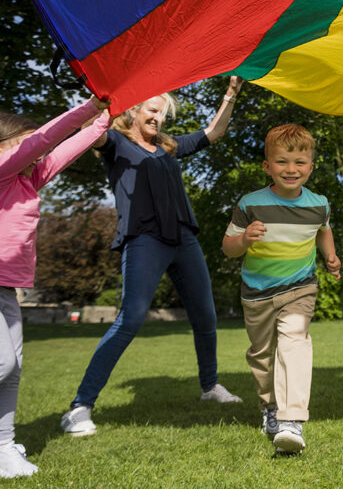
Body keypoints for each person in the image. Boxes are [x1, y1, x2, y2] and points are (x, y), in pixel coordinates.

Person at [61, 78, 246, 437]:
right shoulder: (114, 142)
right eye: (152, 109)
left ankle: (210, 387)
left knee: (206, 317)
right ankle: (80, 406)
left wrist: (230, 95)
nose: (159, 117)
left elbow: (213, 132)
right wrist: (98, 99)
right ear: (132, 109)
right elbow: (89, 131)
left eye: (163, 113)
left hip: (183, 239)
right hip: (144, 239)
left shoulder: (168, 148)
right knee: (130, 319)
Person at [0, 98, 110, 477]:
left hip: (7, 287)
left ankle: (3, 448)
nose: (37, 153)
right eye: (25, 145)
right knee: (2, 363)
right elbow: (45, 140)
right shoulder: (1, 170)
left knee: (14, 369)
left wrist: (102, 120)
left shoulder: (30, 179)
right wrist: (88, 107)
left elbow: (63, 150)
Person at [223, 124, 340, 454]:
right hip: (257, 293)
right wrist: (244, 239)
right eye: (282, 162)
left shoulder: (319, 204)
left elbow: (323, 230)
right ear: (267, 166)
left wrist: (330, 257)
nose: (291, 169)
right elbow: (228, 247)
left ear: (311, 167)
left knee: (295, 342)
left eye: (300, 162)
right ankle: (269, 408)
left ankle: (291, 420)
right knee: (262, 354)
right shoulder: (251, 204)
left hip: (300, 288)